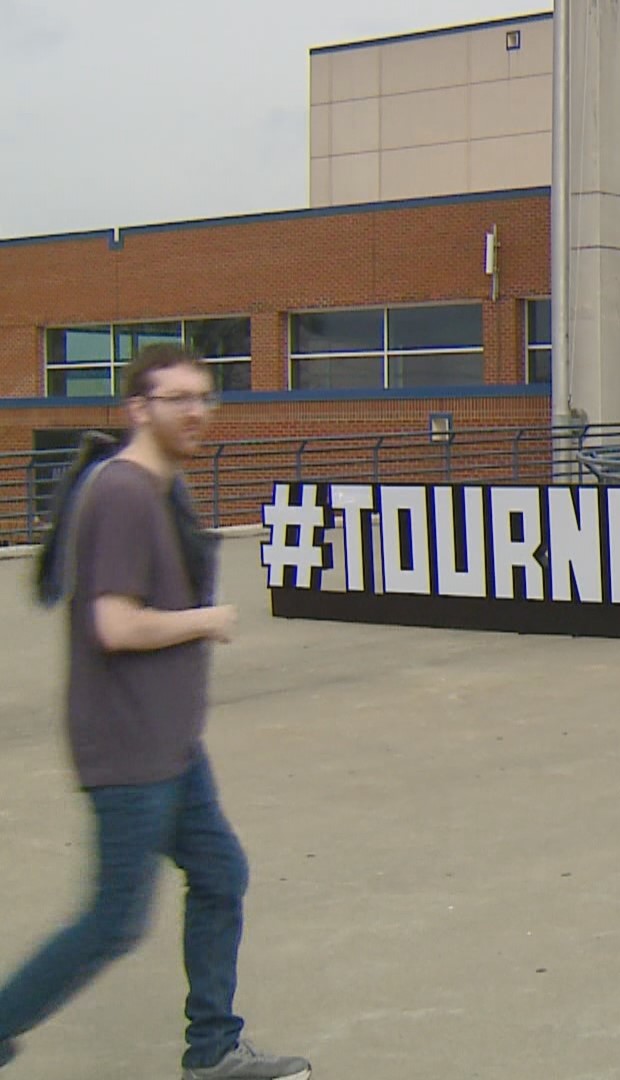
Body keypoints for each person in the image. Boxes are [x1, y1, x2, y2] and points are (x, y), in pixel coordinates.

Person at [0, 344, 310, 1080]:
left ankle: (212, 1051)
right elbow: (115, 625)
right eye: (177, 398)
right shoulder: (124, 494)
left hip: (171, 744)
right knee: (113, 920)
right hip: (129, 749)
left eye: (205, 397)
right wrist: (203, 619)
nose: (196, 411)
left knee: (220, 874)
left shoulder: (159, 486)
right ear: (139, 409)